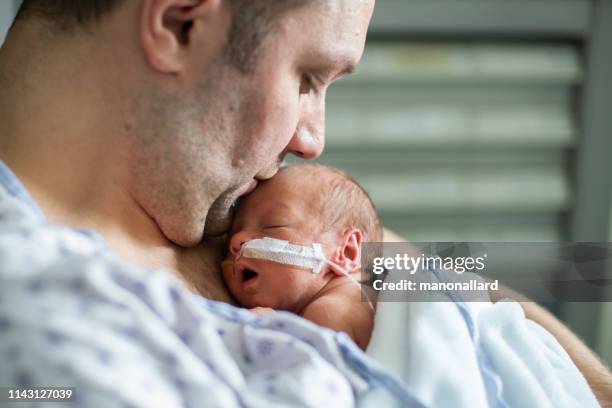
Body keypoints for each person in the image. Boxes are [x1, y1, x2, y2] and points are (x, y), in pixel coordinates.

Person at [0, 0, 610, 405]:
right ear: (180, 23)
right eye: (307, 78)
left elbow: (447, 281)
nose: (312, 140)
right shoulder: (48, 324)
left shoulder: (234, 201)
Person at [222, 164, 380, 350]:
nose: (237, 240)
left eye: (273, 226)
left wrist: (269, 331)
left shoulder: (330, 311)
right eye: (234, 230)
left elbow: (309, 374)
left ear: (346, 252)